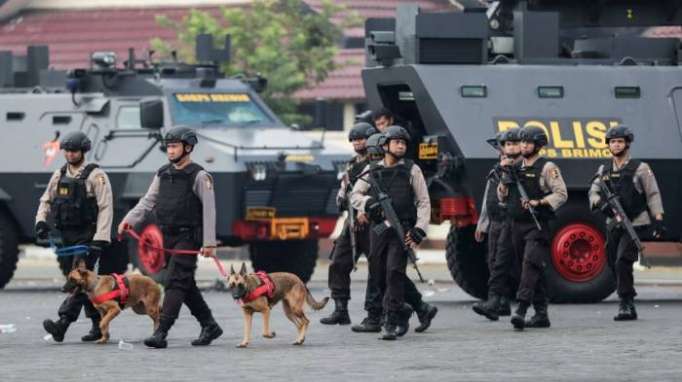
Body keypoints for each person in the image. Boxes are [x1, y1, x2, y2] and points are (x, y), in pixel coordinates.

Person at [118, 126, 223, 348]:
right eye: (168, 146)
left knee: (174, 281)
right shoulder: (163, 173)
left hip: (189, 237)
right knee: (185, 283)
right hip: (168, 237)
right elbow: (148, 201)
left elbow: (210, 210)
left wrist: (209, 243)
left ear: (188, 147)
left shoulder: (200, 176)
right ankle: (209, 324)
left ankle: (161, 332)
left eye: (174, 146)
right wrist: (129, 220)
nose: (170, 150)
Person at [351, 125, 433, 340]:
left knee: (394, 272)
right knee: (378, 273)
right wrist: (368, 204)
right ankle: (408, 309)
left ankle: (391, 319)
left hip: (402, 228)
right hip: (378, 229)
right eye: (397, 142)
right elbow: (355, 194)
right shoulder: (371, 170)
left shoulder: (412, 169)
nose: (401, 146)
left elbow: (424, 202)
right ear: (385, 145)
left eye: (404, 143)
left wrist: (419, 230)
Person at [37, 131, 113, 342]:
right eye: (67, 151)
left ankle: (62, 323)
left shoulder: (95, 175)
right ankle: (98, 326)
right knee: (85, 282)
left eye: (74, 151)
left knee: (79, 281)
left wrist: (100, 239)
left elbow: (106, 207)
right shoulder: (59, 174)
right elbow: (46, 200)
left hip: (88, 236)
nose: (70, 154)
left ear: (83, 151)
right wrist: (41, 222)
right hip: (67, 237)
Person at [588, 125, 665, 321]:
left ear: (627, 144)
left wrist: (658, 220)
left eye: (620, 141)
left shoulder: (640, 168)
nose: (616, 145)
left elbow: (653, 194)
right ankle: (626, 294)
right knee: (612, 261)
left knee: (623, 260)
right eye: (613, 142)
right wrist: (600, 203)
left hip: (636, 222)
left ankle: (626, 302)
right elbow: (593, 191)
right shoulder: (603, 169)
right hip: (614, 223)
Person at [497, 126, 567, 330]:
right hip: (516, 225)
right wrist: (504, 177)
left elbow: (561, 194)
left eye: (528, 142)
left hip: (537, 224)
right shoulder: (515, 167)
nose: (524, 145)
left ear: (538, 145)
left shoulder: (547, 167)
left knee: (530, 265)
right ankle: (541, 313)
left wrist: (540, 202)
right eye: (522, 142)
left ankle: (521, 308)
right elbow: (502, 196)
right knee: (530, 268)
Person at [320, 122, 376, 325]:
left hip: (372, 222)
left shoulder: (378, 162)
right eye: (354, 139)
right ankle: (340, 309)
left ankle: (377, 312)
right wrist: (341, 198)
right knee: (338, 263)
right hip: (352, 222)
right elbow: (344, 191)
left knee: (378, 268)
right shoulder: (352, 164)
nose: (357, 143)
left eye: (360, 138)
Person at [472, 128, 522, 320]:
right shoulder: (496, 169)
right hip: (495, 221)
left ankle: (501, 301)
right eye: (505, 145)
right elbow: (488, 197)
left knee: (504, 262)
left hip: (510, 220)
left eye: (511, 144)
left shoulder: (519, 168)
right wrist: (482, 223)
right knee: (493, 260)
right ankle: (500, 303)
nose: (505, 149)